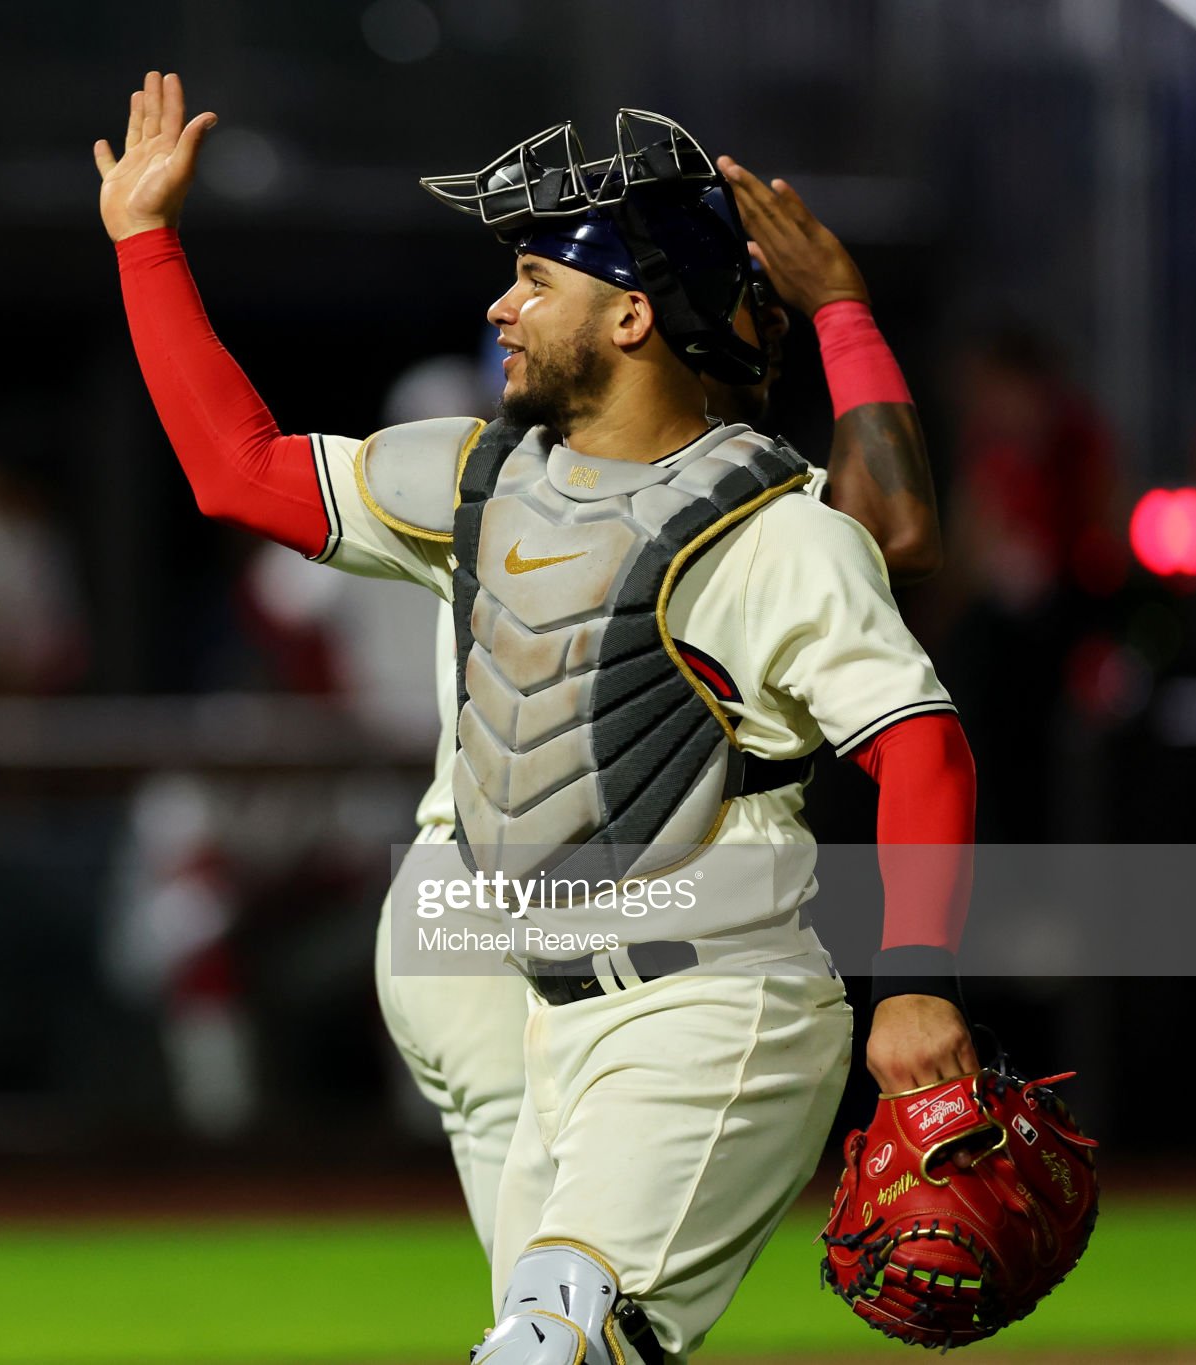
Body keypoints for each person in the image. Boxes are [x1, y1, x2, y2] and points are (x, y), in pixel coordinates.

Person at [97, 74, 975, 1362]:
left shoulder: (771, 527)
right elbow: (237, 475)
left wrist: (917, 981)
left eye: (532, 276)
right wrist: (145, 244)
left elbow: (923, 738)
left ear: (630, 313)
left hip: (706, 1001)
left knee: (554, 1346)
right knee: (566, 1348)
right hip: (533, 1008)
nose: (500, 305)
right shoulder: (482, 472)